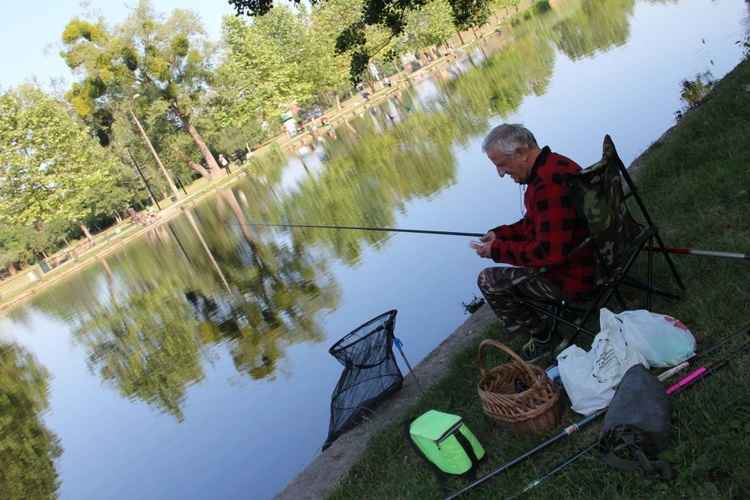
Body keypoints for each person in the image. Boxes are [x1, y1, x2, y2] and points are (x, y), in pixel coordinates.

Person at [473, 123, 596, 361]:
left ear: (521, 153)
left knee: (488, 280)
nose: (500, 173)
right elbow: (538, 223)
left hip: (577, 277)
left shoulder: (547, 186)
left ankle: (543, 338)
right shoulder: (556, 164)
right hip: (593, 256)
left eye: (502, 164)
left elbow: (549, 254)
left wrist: (497, 250)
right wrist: (501, 234)